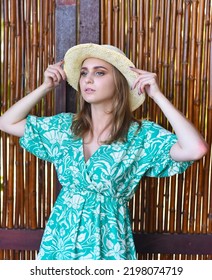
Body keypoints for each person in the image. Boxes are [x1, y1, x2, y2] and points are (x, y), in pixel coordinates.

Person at [0, 43, 208, 260]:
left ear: (119, 82)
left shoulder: (141, 136)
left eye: (99, 72)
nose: (88, 79)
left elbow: (196, 149)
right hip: (59, 242)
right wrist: (45, 87)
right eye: (83, 73)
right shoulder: (64, 128)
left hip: (109, 243)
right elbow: (6, 122)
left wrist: (157, 96)